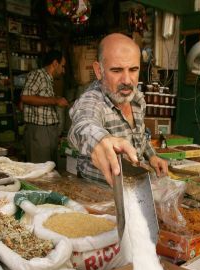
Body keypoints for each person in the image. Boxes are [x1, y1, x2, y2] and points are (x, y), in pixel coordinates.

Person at [68, 33, 168, 186]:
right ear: (99, 70)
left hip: (136, 191)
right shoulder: (93, 100)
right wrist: (100, 140)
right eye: (116, 70)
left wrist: (152, 156)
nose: (127, 80)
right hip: (100, 198)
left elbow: (140, 137)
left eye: (133, 70)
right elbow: (83, 124)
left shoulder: (137, 98)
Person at [21, 50, 69, 163]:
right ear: (55, 63)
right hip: (39, 131)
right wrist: (55, 100)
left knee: (49, 167)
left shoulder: (48, 79)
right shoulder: (38, 75)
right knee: (41, 169)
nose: (63, 70)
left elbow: (42, 98)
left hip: (48, 131)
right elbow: (25, 97)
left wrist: (56, 99)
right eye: (62, 66)